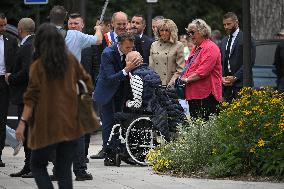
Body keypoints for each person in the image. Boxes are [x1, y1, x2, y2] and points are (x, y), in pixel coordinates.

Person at [15, 23, 93, 189]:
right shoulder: (71, 61)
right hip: (70, 121)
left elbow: (31, 98)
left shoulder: (38, 66)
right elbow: (87, 84)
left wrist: (22, 123)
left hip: (46, 123)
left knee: (37, 165)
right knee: (64, 170)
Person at [93, 32, 140, 165]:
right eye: (127, 48)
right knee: (108, 124)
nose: (130, 50)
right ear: (119, 44)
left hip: (121, 93)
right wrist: (126, 69)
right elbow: (109, 78)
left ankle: (121, 151)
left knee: (120, 123)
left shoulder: (131, 50)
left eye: (132, 47)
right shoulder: (107, 53)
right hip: (106, 92)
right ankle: (109, 154)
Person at [5, 17, 35, 178]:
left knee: (28, 132)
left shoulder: (27, 46)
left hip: (26, 96)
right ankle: (28, 165)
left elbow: (27, 71)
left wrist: (11, 78)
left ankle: (31, 166)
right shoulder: (32, 43)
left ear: (20, 29)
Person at [67, 12, 93, 181]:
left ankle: (80, 165)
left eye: (76, 23)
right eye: (71, 23)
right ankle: (73, 169)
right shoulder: (64, 40)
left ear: (82, 25)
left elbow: (96, 66)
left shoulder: (90, 44)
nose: (73, 26)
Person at [181, 19, 222, 120]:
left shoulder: (210, 47)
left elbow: (203, 71)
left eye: (193, 32)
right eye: (189, 32)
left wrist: (186, 80)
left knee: (207, 128)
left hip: (206, 96)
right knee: (196, 127)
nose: (190, 35)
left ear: (202, 32)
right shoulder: (196, 47)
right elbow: (188, 67)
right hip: (194, 94)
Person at [220, 12, 256, 102]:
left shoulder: (246, 38)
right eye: (224, 24)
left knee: (243, 113)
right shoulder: (224, 41)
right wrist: (222, 78)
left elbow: (249, 62)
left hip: (242, 83)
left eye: (229, 24)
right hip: (226, 85)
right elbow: (221, 62)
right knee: (227, 113)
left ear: (236, 22)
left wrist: (235, 77)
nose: (226, 27)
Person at [0, 12, 18, 167]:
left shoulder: (10, 40)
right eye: (0, 25)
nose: (3, 28)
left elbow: (16, 61)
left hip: (3, 83)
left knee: (1, 120)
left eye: (4, 24)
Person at [149, 19, 185, 87]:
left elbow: (180, 69)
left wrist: (171, 82)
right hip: (155, 83)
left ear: (171, 31)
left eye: (167, 30)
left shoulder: (178, 45)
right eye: (161, 30)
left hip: (170, 84)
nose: (164, 33)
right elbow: (151, 66)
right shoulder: (154, 45)